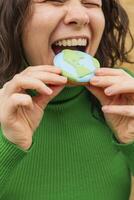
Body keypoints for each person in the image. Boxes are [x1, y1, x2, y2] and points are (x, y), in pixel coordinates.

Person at [0, 0, 134, 199]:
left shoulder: (125, 97)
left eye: (91, 3)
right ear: (12, 15)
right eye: (54, 0)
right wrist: (7, 145)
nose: (80, 16)